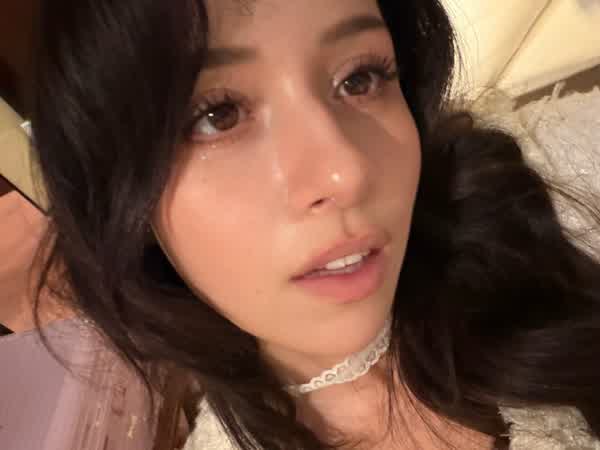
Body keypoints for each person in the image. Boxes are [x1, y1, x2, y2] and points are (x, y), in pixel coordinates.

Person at [24, 0, 600, 449]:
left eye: (361, 78)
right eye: (217, 115)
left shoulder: (544, 202)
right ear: (121, 197)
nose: (346, 172)